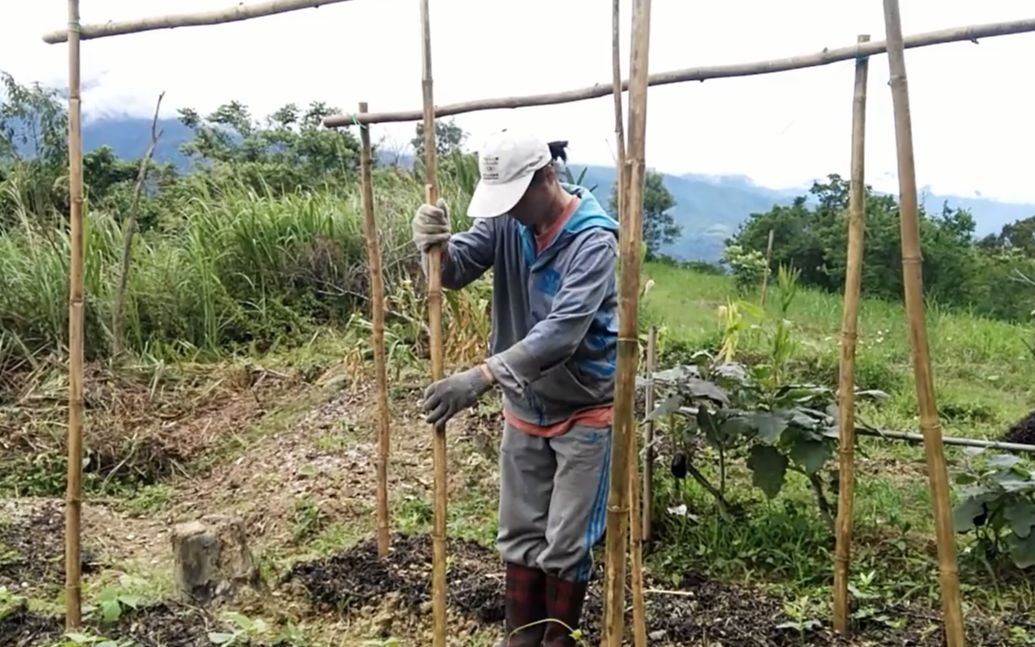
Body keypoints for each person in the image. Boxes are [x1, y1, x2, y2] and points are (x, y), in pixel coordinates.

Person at [411, 128, 619, 647]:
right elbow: (455, 270)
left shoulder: (593, 240)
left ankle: (556, 641)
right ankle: (520, 639)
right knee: (519, 533)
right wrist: (433, 246)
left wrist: (479, 378)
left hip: (584, 407)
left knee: (567, 541)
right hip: (525, 404)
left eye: (518, 197)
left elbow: (562, 333)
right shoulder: (507, 223)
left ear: (546, 177)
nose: (510, 210)